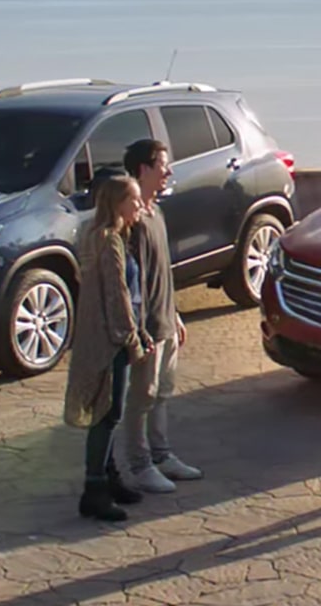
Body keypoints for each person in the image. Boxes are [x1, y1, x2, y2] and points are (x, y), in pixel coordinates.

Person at [62, 173, 156, 522]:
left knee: (109, 413)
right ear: (116, 204)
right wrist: (131, 339)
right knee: (106, 413)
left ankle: (110, 476)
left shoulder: (108, 236)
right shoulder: (107, 241)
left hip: (114, 335)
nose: (138, 207)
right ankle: (95, 487)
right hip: (109, 341)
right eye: (132, 201)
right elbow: (117, 298)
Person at [117, 139, 202, 494]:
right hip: (147, 326)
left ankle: (163, 454)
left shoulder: (157, 214)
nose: (168, 172)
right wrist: (139, 329)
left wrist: (176, 313)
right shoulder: (132, 223)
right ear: (143, 170)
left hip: (167, 321)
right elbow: (133, 282)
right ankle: (140, 464)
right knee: (142, 396)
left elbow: (162, 271)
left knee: (163, 392)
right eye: (162, 166)